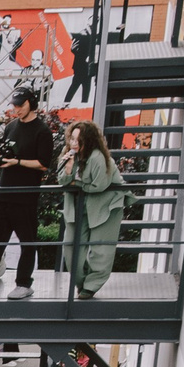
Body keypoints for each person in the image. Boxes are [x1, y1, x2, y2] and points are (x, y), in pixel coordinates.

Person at [0, 88, 56, 299]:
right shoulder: (11, 126)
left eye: (20, 105)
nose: (17, 109)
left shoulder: (42, 131)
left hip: (25, 196)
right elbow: (6, 151)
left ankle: (23, 283)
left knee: (27, 241)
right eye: (15, 105)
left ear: (31, 104)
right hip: (3, 192)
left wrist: (18, 162)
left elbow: (43, 164)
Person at [58, 120, 127, 298]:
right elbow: (62, 181)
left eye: (78, 140)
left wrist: (78, 183)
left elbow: (99, 186)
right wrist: (68, 168)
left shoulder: (98, 157)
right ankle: (82, 282)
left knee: (101, 249)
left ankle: (91, 286)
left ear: (88, 141)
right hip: (80, 205)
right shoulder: (68, 154)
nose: (73, 143)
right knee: (70, 247)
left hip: (106, 204)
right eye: (71, 138)